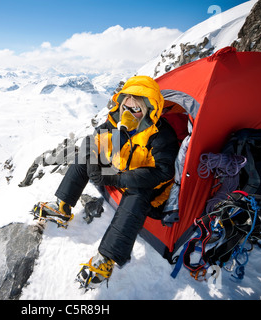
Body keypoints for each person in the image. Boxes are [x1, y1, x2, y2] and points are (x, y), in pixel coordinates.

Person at [40, 75, 179, 289]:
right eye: (126, 106)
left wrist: (115, 177)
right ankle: (62, 206)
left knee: (137, 195)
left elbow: (162, 173)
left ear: (149, 110)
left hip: (149, 188)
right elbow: (95, 144)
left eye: (136, 109)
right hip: (119, 174)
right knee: (85, 156)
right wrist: (96, 165)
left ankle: (106, 259)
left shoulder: (160, 135)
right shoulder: (116, 123)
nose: (129, 113)